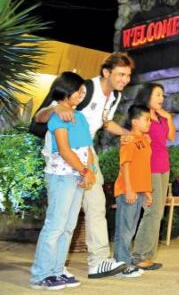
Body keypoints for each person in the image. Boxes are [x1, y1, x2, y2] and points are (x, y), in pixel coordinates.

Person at [33, 53, 135, 279]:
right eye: (120, 74)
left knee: (89, 210)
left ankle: (79, 265)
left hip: (86, 153)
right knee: (61, 220)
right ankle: (49, 271)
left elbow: (105, 122)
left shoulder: (114, 95)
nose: (125, 79)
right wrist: (55, 110)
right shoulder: (85, 89)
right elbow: (40, 116)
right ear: (106, 72)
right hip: (65, 156)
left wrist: (129, 134)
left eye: (128, 75)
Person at [30, 73, 96, 290]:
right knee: (55, 226)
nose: (81, 94)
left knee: (68, 226)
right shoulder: (58, 115)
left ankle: (57, 271)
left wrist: (90, 171)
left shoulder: (82, 117)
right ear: (66, 90)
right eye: (78, 90)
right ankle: (42, 274)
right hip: (61, 176)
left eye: (82, 91)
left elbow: (88, 149)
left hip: (77, 175)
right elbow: (65, 150)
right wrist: (84, 170)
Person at [131, 83, 175, 270]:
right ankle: (140, 256)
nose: (161, 99)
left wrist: (169, 118)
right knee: (152, 212)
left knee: (158, 212)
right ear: (147, 95)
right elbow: (134, 136)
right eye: (157, 94)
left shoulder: (161, 116)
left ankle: (146, 254)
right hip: (150, 167)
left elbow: (171, 137)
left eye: (162, 95)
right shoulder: (143, 117)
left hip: (164, 167)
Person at [113, 105, 153, 278]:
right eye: (146, 119)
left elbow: (144, 168)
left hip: (139, 191)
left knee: (131, 228)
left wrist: (147, 191)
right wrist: (129, 189)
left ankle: (125, 261)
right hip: (128, 191)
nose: (149, 123)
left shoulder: (145, 140)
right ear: (135, 122)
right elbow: (125, 166)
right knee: (125, 229)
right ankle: (122, 264)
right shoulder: (128, 140)